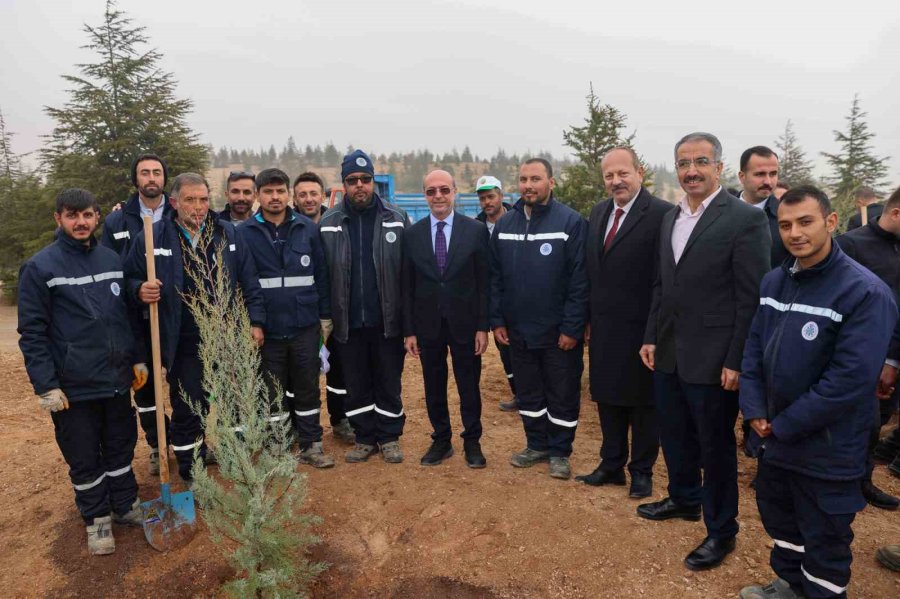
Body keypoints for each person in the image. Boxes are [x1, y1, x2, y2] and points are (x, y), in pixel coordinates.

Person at [739, 185, 896, 599]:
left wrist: (783, 425)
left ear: (829, 222)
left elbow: (849, 380)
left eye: (806, 222)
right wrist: (753, 408)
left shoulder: (864, 292)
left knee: (825, 537)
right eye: (787, 224)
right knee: (783, 521)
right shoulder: (775, 282)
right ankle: (790, 585)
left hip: (827, 449)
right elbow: (754, 348)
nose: (795, 233)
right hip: (775, 441)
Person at [638, 132, 770, 571]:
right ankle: (683, 499)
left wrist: (736, 360)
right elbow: (662, 284)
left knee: (714, 449)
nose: (690, 170)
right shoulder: (670, 218)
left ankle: (721, 531)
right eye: (683, 163)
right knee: (673, 434)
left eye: (700, 161)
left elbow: (749, 298)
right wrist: (652, 335)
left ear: (719, 167)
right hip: (670, 353)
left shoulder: (743, 220)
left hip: (715, 360)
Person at [19, 188, 142, 555]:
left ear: (97, 216)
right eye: (72, 215)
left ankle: (124, 505)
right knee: (84, 454)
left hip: (116, 379)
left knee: (121, 446)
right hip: (74, 387)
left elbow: (123, 318)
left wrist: (135, 359)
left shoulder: (110, 259)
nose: (81, 222)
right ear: (58, 218)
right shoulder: (40, 267)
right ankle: (97, 519)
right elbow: (33, 332)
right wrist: (46, 385)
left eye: (87, 215)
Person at [125, 173, 265, 482]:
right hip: (184, 341)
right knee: (189, 408)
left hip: (227, 336)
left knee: (233, 403)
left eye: (203, 199)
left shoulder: (228, 234)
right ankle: (193, 471)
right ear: (174, 202)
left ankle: (235, 459)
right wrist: (139, 289)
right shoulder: (153, 237)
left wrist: (255, 322)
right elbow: (129, 280)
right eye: (190, 200)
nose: (198, 207)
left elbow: (249, 283)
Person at [576, 147, 671, 498]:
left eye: (622, 174)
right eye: (609, 176)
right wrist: (586, 318)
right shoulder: (599, 212)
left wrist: (654, 332)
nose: (616, 181)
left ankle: (642, 471)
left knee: (644, 405)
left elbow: (663, 279)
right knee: (608, 398)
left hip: (643, 330)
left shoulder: (663, 214)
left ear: (639, 172)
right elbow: (592, 270)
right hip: (603, 329)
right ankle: (611, 464)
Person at [490, 158, 588, 480]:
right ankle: (536, 444)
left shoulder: (570, 222)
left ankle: (560, 451)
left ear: (551, 182)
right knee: (529, 393)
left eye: (536, 178)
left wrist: (572, 327)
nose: (528, 185)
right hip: (519, 333)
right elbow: (495, 278)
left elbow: (579, 280)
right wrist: (498, 320)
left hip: (558, 335)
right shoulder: (506, 225)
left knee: (562, 394)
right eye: (523, 179)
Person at [319, 150, 409, 463]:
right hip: (348, 323)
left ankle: (389, 437)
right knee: (356, 384)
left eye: (365, 179)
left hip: (387, 321)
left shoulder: (396, 219)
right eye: (352, 180)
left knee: (388, 381)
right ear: (343, 184)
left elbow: (408, 274)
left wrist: (407, 320)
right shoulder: (329, 223)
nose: (360, 185)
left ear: (373, 181)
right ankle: (365, 437)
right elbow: (323, 275)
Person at [239, 168, 333, 467]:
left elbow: (322, 276)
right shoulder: (244, 233)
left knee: (307, 387)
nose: (275, 197)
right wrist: (254, 322)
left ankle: (312, 445)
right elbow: (245, 281)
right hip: (266, 329)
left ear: (287, 194)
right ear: (258, 195)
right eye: (268, 191)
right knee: (272, 391)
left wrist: (325, 317)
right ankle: (277, 446)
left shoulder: (307, 229)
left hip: (304, 324)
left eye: (280, 191)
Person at [402, 170, 490, 468]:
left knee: (469, 385)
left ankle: (472, 441)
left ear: (455, 192)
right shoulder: (412, 235)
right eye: (431, 191)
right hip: (428, 326)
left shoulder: (475, 231)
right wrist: (410, 330)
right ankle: (441, 440)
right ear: (424, 195)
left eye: (444, 190)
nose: (438, 196)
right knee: (433, 384)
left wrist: (482, 326)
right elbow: (407, 285)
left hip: (466, 324)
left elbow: (484, 282)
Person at [99, 152, 172, 476]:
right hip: (135, 321)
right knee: (145, 388)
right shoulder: (117, 222)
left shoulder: (178, 213)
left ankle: (189, 442)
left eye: (157, 172)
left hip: (176, 318)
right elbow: (110, 272)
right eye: (145, 173)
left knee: (187, 383)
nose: (151, 178)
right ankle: (158, 444)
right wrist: (136, 290)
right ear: (136, 180)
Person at [835, 185, 900, 510]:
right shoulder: (852, 244)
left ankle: (862, 481)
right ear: (896, 212)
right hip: (855, 357)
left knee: (874, 426)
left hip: (891, 355)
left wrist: (892, 359)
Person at [292, 171, 355, 444]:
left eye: (313, 193)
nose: (308, 199)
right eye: (302, 194)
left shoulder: (337, 222)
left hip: (337, 311)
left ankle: (340, 420)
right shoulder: (289, 226)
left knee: (339, 369)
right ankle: (297, 425)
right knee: (299, 374)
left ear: (323, 195)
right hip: (301, 314)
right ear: (294, 197)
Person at [474, 175, 517, 412]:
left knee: (522, 347)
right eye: (482, 198)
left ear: (501, 195)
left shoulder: (518, 221)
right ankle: (518, 392)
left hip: (516, 296)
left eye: (491, 196)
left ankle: (535, 395)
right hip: (492, 298)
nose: (487, 202)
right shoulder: (476, 228)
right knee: (505, 350)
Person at [738, 146, 790, 269]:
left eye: (773, 174)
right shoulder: (719, 214)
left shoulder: (787, 217)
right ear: (742, 177)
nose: (768, 181)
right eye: (760, 174)